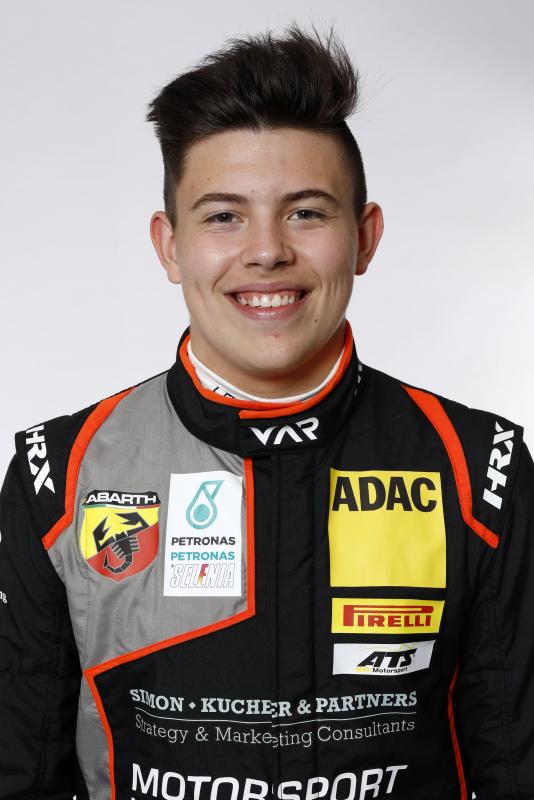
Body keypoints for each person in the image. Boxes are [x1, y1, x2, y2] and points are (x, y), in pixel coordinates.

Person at [0, 21, 532, 800]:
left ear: (365, 238)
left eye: (306, 212)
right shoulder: (61, 474)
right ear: (170, 245)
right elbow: (20, 773)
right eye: (223, 216)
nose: (266, 251)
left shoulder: (478, 468)